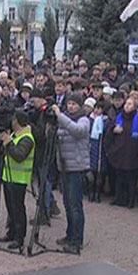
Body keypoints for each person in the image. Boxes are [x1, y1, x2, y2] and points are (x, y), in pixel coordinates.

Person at [53, 93, 90, 253]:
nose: (71, 107)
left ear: (80, 106)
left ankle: (77, 239)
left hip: (77, 168)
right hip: (65, 167)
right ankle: (70, 234)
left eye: (75, 104)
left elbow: (77, 131)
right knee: (68, 204)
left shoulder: (84, 120)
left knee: (75, 205)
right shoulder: (64, 119)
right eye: (69, 104)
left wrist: (60, 116)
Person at [0, 110, 35, 250]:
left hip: (19, 179)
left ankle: (19, 237)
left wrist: (8, 143)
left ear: (17, 122)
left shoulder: (27, 138)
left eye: (13, 120)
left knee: (18, 208)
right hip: (8, 176)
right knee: (10, 207)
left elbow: (19, 156)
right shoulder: (15, 135)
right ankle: (11, 232)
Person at [105, 96, 138, 208]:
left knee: (131, 178)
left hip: (132, 153)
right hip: (119, 152)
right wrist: (113, 130)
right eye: (126, 103)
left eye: (130, 104)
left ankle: (130, 200)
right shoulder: (118, 118)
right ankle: (118, 198)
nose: (127, 106)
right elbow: (109, 132)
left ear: (135, 107)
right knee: (119, 177)